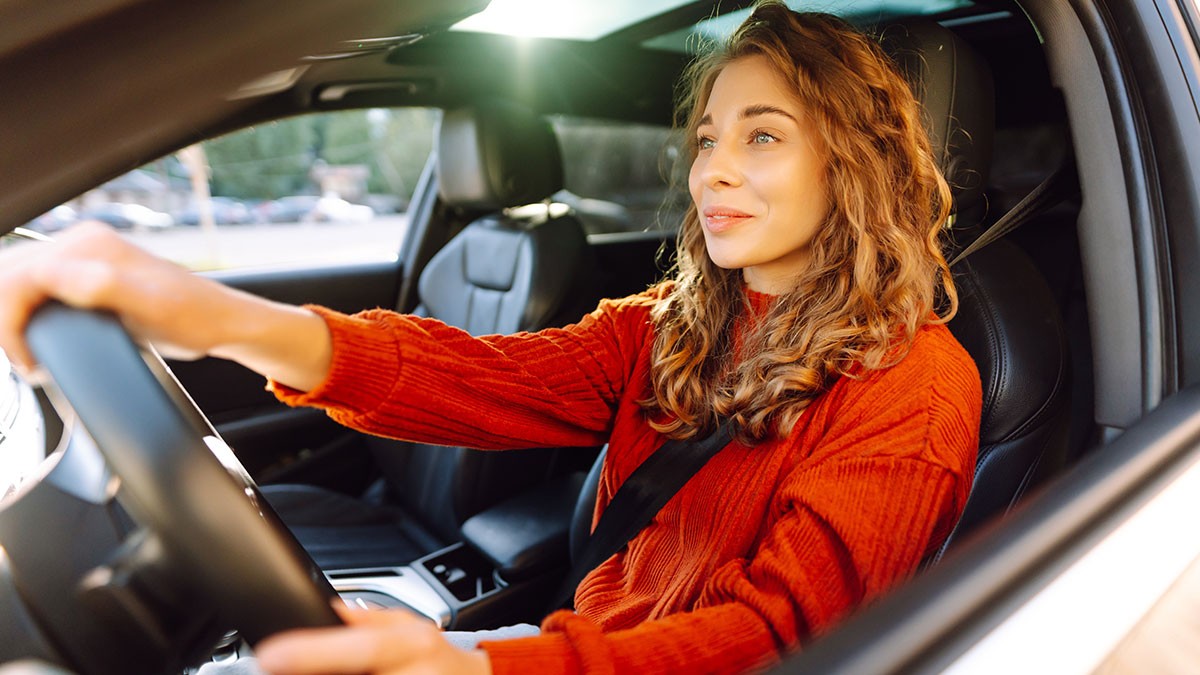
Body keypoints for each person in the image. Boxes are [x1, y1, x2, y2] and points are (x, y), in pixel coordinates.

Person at [0, 3, 981, 673]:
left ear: (852, 163)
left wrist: (477, 669)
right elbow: (477, 376)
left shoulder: (914, 387)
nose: (713, 169)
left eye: (761, 135)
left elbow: (783, 642)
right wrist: (218, 318)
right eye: (706, 138)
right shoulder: (671, 324)